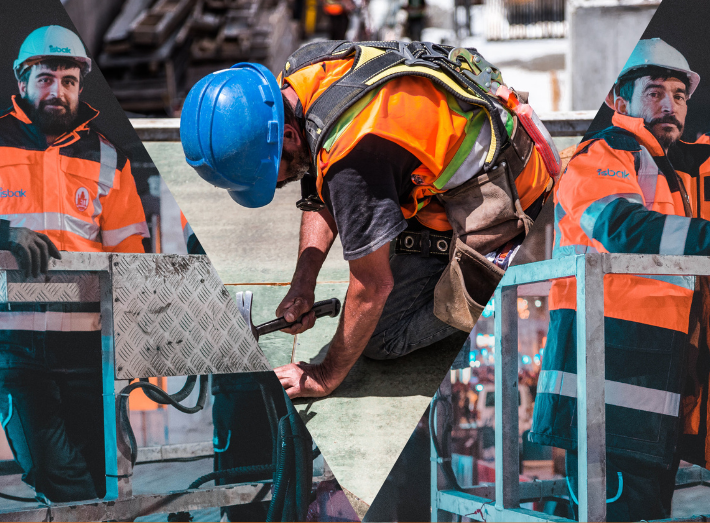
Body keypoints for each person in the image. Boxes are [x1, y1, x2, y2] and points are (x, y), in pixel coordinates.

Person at [181, 41, 556, 400]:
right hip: (458, 158)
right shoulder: (302, 74)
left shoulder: (353, 157)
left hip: (512, 195)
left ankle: (490, 281)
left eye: (272, 174)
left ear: (290, 135)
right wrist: (303, 283)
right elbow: (321, 185)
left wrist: (324, 375)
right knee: (368, 218)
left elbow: (372, 286)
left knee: (381, 339)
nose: (278, 184)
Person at [529, 38, 710, 521]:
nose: (670, 104)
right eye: (654, 92)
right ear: (619, 100)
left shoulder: (683, 166)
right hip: (605, 398)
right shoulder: (597, 155)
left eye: (679, 93)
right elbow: (623, 227)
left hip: (654, 393)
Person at [0, 25, 149, 502]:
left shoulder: (110, 158)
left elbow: (131, 260)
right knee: (56, 471)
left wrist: (136, 340)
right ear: (22, 80)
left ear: (81, 85)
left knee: (99, 471)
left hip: (90, 347)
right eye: (45, 78)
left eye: (68, 80)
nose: (57, 92)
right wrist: (6, 234)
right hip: (15, 345)